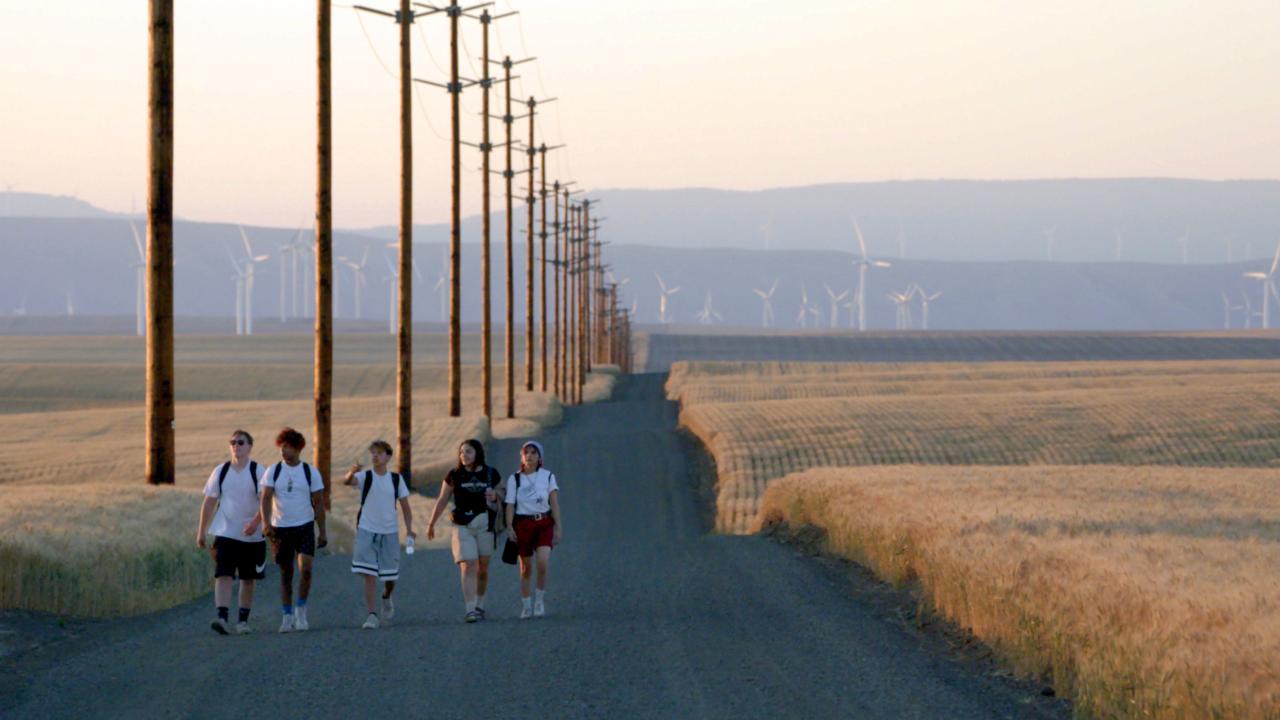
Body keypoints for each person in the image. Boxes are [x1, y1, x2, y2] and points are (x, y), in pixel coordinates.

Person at [196, 429, 266, 635]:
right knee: (223, 574)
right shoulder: (221, 471)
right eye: (233, 442)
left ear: (250, 447)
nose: (236, 446)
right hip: (226, 532)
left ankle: (243, 621)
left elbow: (266, 501)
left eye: (241, 442)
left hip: (252, 535)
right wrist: (201, 531)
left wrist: (255, 523)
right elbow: (209, 502)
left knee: (248, 578)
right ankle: (222, 617)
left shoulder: (258, 471)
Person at [427, 439, 502, 623]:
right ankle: (470, 609)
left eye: (468, 451)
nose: (464, 455)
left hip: (485, 524)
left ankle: (480, 605)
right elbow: (443, 499)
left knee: (483, 568)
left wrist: (496, 495)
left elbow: (504, 495)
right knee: (468, 564)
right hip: (462, 524)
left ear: (477, 453)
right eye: (461, 452)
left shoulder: (491, 473)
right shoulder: (454, 475)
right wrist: (431, 523)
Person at [343, 440, 415, 630]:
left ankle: (386, 595)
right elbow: (348, 481)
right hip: (367, 530)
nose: (375, 456)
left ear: (388, 457)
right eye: (373, 453)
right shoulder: (365, 476)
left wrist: (409, 529)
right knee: (369, 573)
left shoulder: (395, 479)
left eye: (379, 453)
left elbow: (405, 507)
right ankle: (372, 615)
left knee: (390, 576)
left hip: (389, 531)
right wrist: (352, 470)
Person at [260, 427, 326, 633]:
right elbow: (265, 497)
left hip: (304, 526)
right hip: (280, 529)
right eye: (281, 447)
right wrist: (266, 523)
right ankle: (287, 616)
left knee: (305, 569)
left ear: (298, 449)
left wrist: (322, 531)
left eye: (287, 447)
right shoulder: (273, 471)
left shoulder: (310, 472)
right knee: (285, 573)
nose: (283, 451)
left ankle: (301, 611)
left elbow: (319, 502)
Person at [504, 440, 562, 619]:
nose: (529, 456)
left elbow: (554, 502)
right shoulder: (514, 478)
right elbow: (510, 504)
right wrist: (509, 527)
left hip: (544, 522)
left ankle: (539, 601)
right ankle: (526, 604)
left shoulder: (548, 476)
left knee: (542, 561)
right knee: (526, 567)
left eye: (533, 453)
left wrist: (558, 527)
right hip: (523, 525)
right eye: (526, 452)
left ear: (539, 457)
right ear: (521, 456)